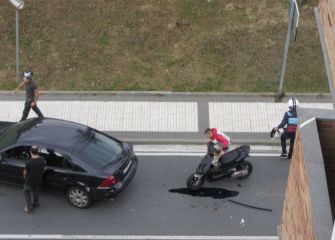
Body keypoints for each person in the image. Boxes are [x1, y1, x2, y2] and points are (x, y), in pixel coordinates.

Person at [23, 145, 46, 213]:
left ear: (30, 152)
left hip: (29, 182)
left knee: (26, 191)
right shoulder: (42, 159)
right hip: (39, 180)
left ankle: (29, 207)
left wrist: (24, 175)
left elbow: (24, 173)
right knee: (36, 191)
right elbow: (44, 168)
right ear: (38, 151)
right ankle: (35, 203)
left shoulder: (29, 162)